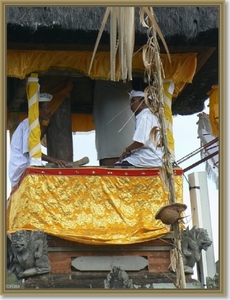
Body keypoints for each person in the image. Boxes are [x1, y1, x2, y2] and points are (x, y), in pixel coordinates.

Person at [8, 93, 68, 189]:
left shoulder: (34, 124)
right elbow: (32, 152)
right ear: (37, 110)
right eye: (47, 108)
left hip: (22, 168)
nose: (49, 112)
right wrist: (54, 160)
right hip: (20, 169)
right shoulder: (29, 124)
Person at [114, 90, 164, 168]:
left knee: (118, 165)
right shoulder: (151, 116)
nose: (130, 104)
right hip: (155, 156)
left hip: (149, 157)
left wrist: (127, 150)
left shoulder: (145, 117)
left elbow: (140, 143)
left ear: (143, 103)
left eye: (133, 101)